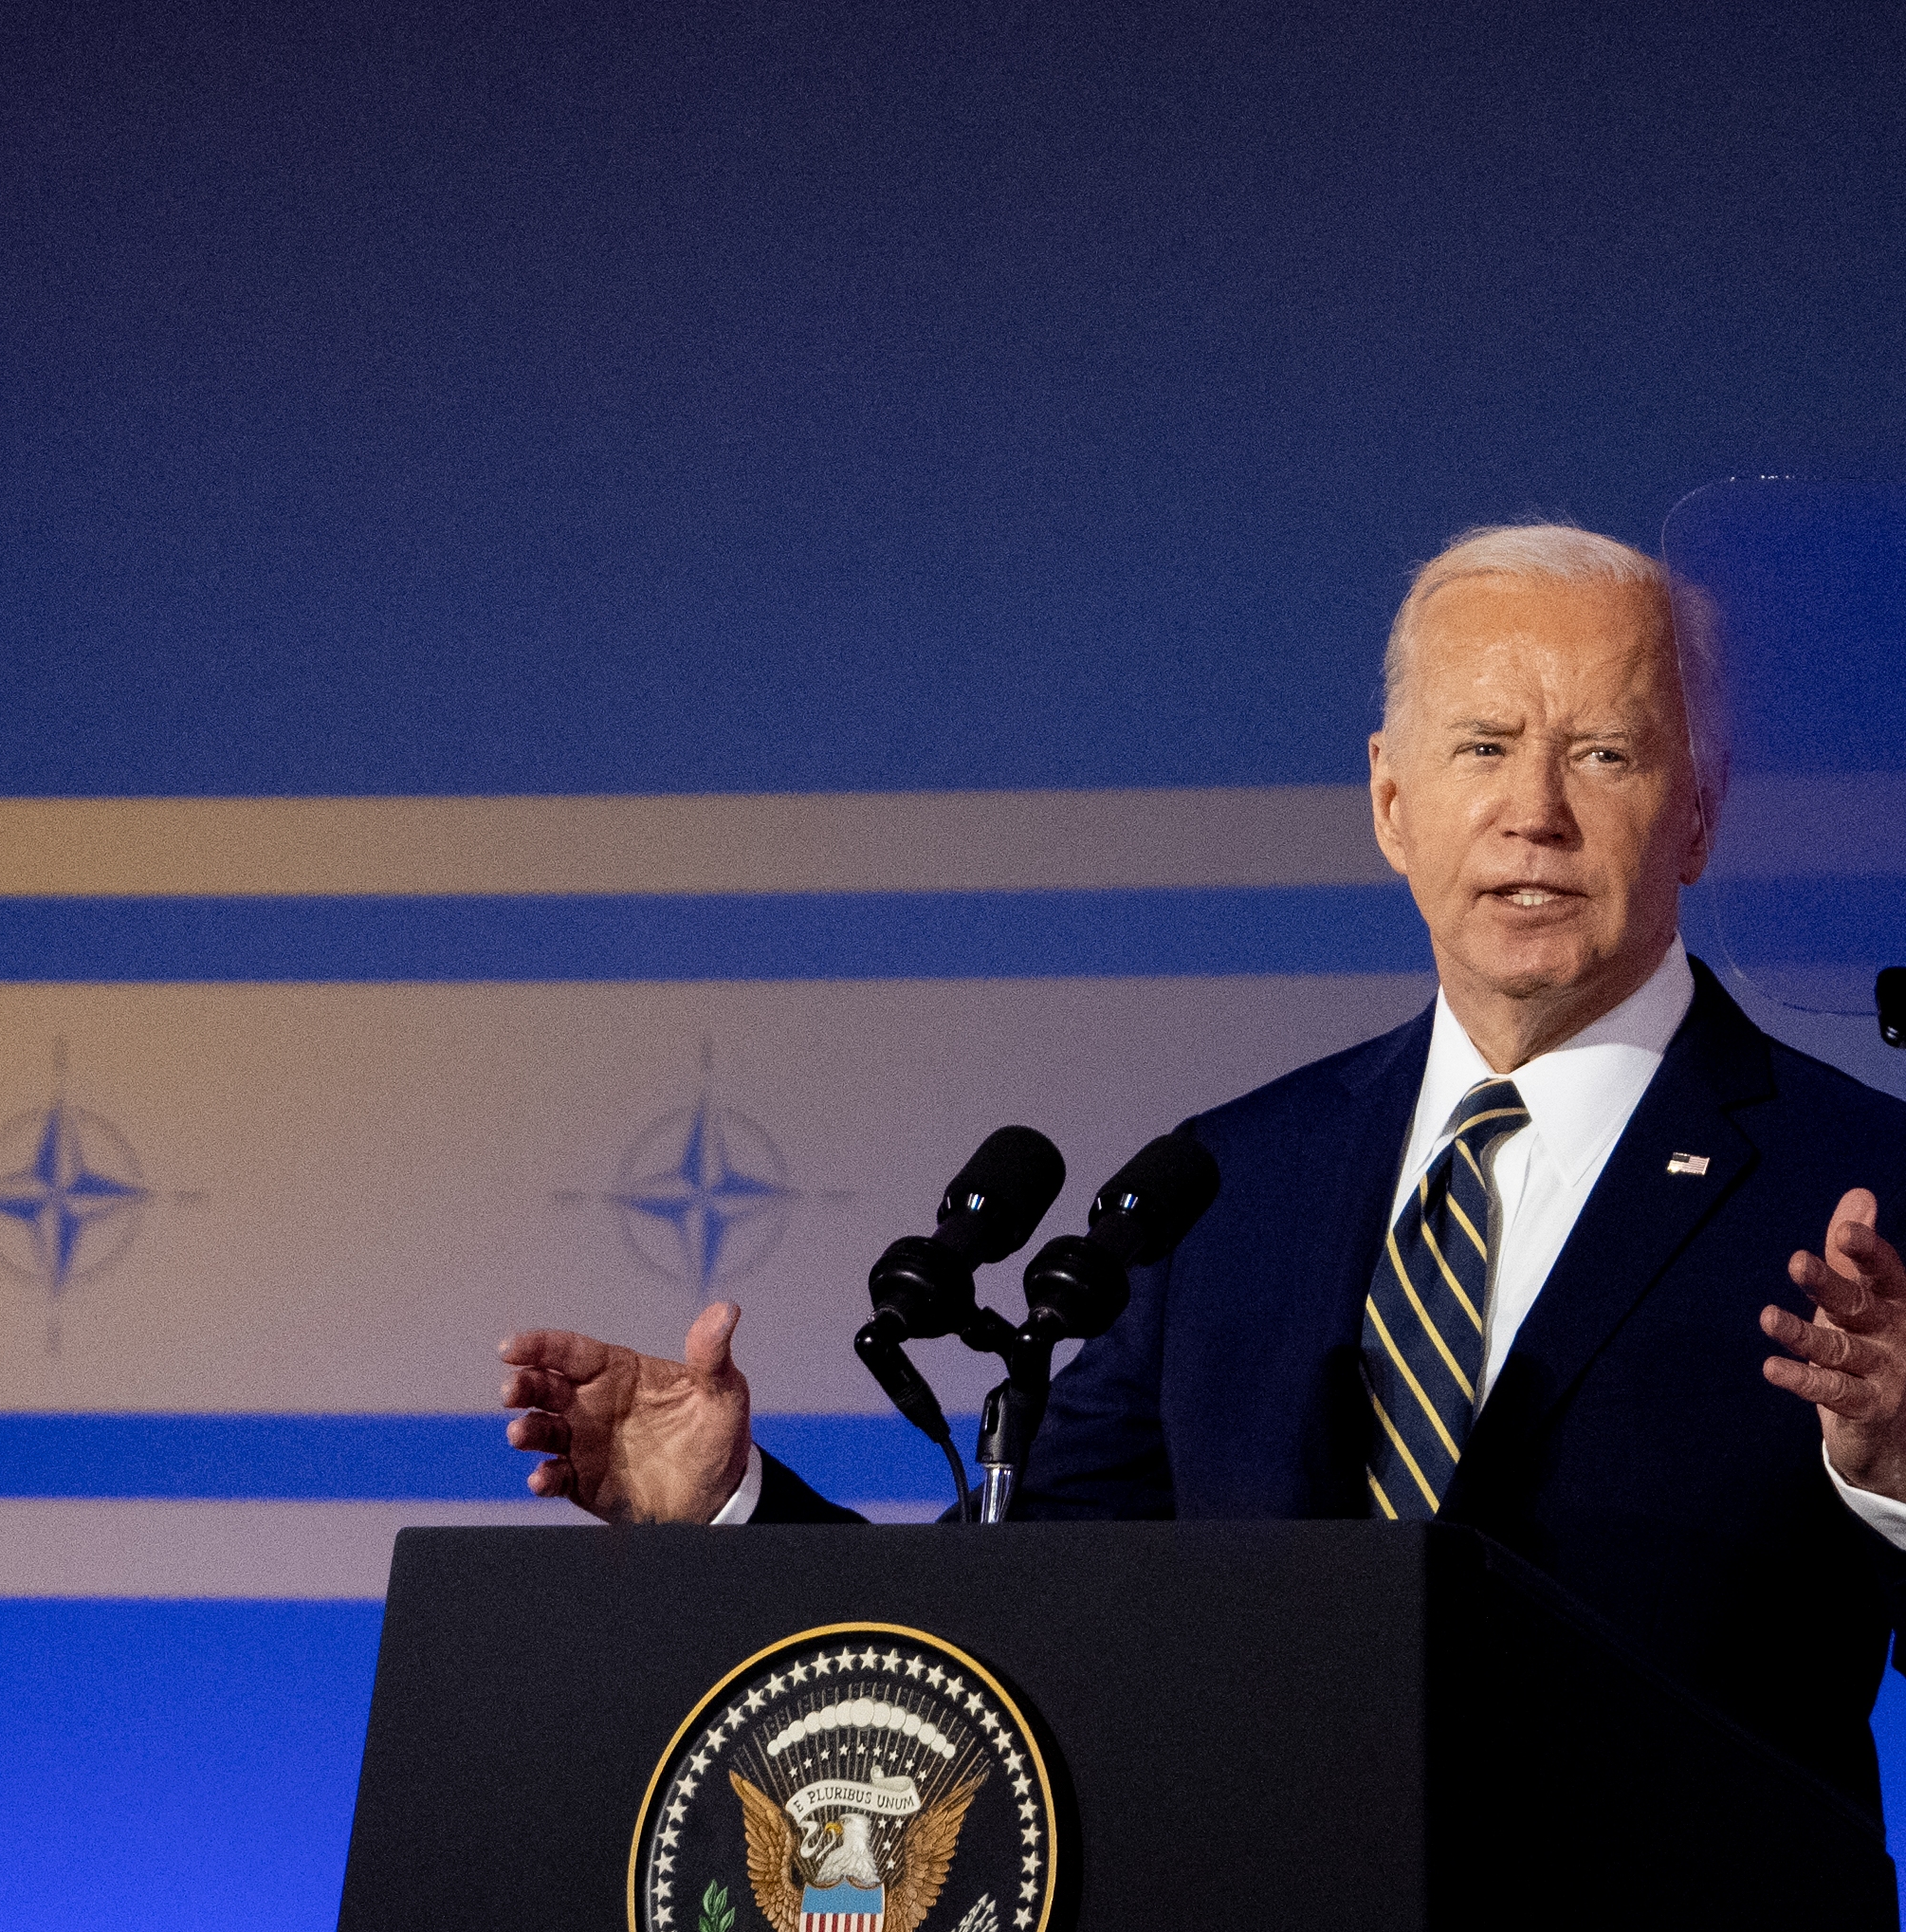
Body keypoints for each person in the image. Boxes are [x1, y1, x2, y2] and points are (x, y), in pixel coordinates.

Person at [498, 522, 1906, 1812]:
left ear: (1702, 811)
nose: (1531, 809)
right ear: (1388, 803)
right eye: (1481, 747)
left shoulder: (1865, 1189)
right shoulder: (1226, 1185)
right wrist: (731, 1506)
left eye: (1602, 752)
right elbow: (994, 1622)